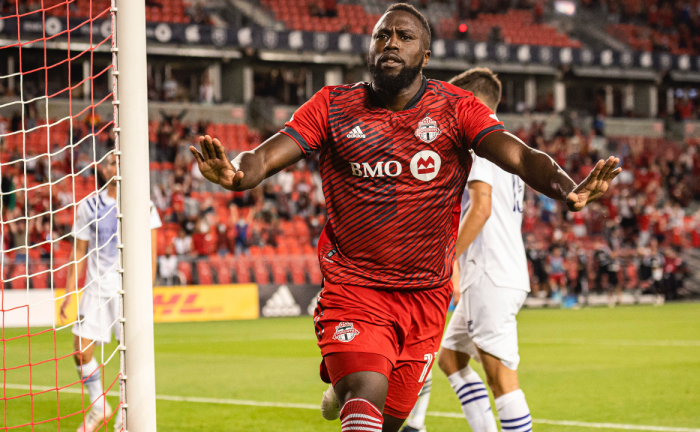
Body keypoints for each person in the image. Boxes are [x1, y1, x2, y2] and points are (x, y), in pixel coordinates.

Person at [189, 4, 621, 431]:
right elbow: (266, 154)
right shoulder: (333, 105)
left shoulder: (456, 108)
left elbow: (521, 156)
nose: (391, 42)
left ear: (425, 56)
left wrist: (568, 189)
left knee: (392, 421)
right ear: (370, 47)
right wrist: (238, 173)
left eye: (404, 36)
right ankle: (350, 380)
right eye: (382, 35)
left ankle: (342, 386)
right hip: (355, 286)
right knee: (367, 393)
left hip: (426, 296)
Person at [401, 67, 534, 432]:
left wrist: (447, 255)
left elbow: (482, 206)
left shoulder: (481, 143)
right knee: (450, 358)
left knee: (502, 380)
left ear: (471, 102)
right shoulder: (505, 142)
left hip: (489, 274)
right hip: (502, 269)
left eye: (454, 102)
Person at [59, 154, 162, 432]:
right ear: (102, 171)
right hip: (94, 289)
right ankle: (98, 406)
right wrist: (69, 293)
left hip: (126, 292)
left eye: (116, 161)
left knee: (132, 356)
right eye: (106, 163)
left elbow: (150, 253)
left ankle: (124, 420)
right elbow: (78, 252)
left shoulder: (143, 204)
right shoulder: (87, 206)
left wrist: (145, 294)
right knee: (81, 352)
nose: (111, 167)